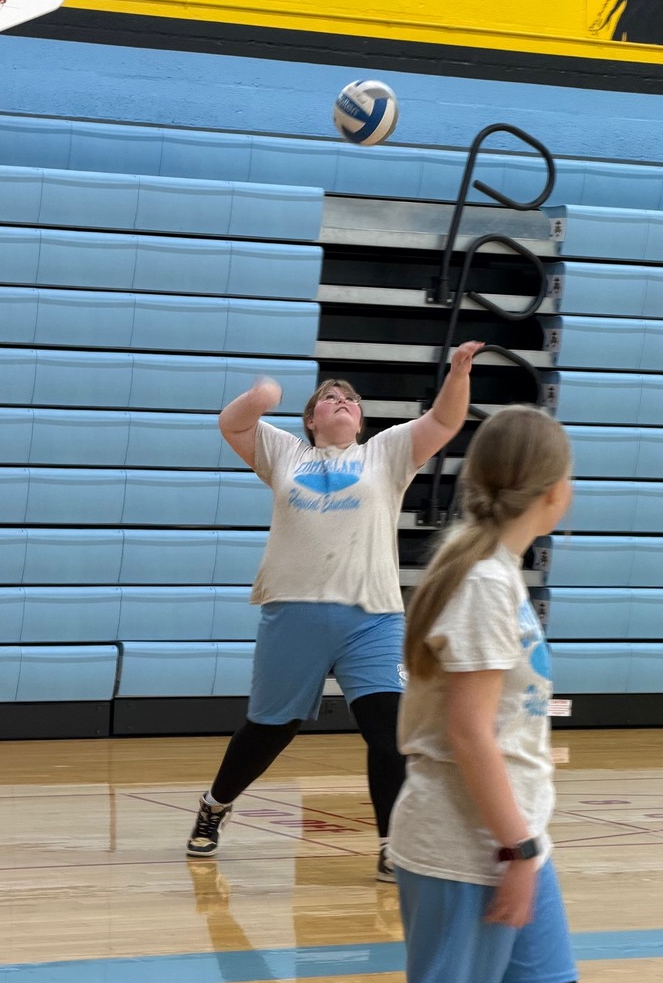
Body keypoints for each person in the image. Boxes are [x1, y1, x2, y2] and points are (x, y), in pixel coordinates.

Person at [186, 341, 485, 881]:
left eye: (349, 397)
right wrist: (258, 398)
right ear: (311, 419)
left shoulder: (386, 453)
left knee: (389, 730)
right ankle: (215, 804)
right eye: (329, 397)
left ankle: (394, 846)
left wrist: (458, 372)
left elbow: (446, 419)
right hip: (292, 614)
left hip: (371, 618)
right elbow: (231, 426)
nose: (341, 400)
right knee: (269, 729)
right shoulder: (285, 454)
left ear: (362, 417)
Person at [389, 405, 582, 983]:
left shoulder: (495, 575)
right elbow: (471, 735)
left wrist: (525, 846)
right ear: (554, 493)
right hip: (466, 850)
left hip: (514, 841)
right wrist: (516, 850)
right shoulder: (484, 585)